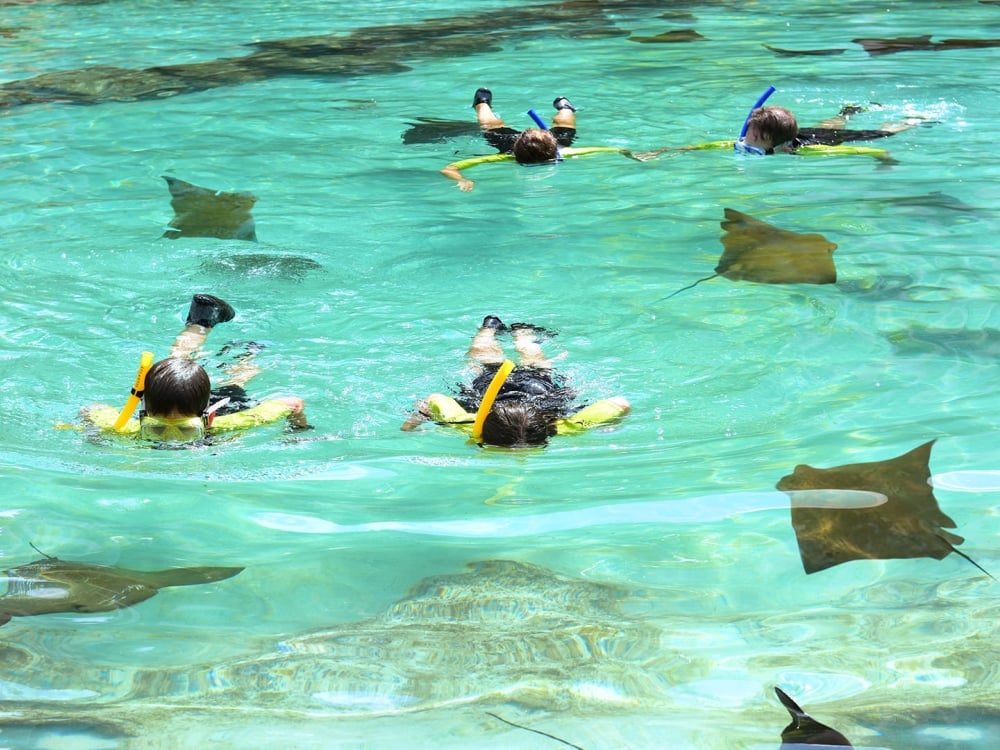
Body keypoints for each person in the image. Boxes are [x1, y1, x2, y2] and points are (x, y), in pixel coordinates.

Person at [81, 294, 309, 445]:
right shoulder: (126, 427)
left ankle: (247, 351)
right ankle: (201, 322)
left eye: (187, 431)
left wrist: (297, 430)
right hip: (190, 404)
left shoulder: (230, 422)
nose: (171, 441)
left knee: (236, 381)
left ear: (207, 420)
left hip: (223, 405)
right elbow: (91, 410)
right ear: (142, 416)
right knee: (174, 363)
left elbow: (293, 404)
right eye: (157, 430)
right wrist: (94, 436)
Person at [402, 316, 630, 448]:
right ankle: (498, 331)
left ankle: (512, 332)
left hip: (537, 389)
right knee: (485, 360)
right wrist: (414, 422)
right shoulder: (466, 424)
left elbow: (621, 404)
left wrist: (414, 422)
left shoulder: (563, 428)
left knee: (536, 365)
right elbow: (434, 399)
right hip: (493, 389)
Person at [440, 88, 638, 191]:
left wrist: (463, 180)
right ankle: (565, 107)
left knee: (492, 126)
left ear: (516, 151)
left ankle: (482, 103)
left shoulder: (508, 157)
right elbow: (614, 149)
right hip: (544, 143)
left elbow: (449, 168)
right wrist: (632, 155)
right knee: (566, 127)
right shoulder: (565, 152)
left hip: (533, 142)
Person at [739, 104, 917, 154]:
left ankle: (910, 121)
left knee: (884, 134)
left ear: (781, 148)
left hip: (821, 140)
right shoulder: (760, 133)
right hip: (802, 133)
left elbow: (861, 150)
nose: (746, 141)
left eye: (754, 140)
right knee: (824, 126)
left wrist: (882, 157)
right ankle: (846, 113)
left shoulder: (814, 151)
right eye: (748, 135)